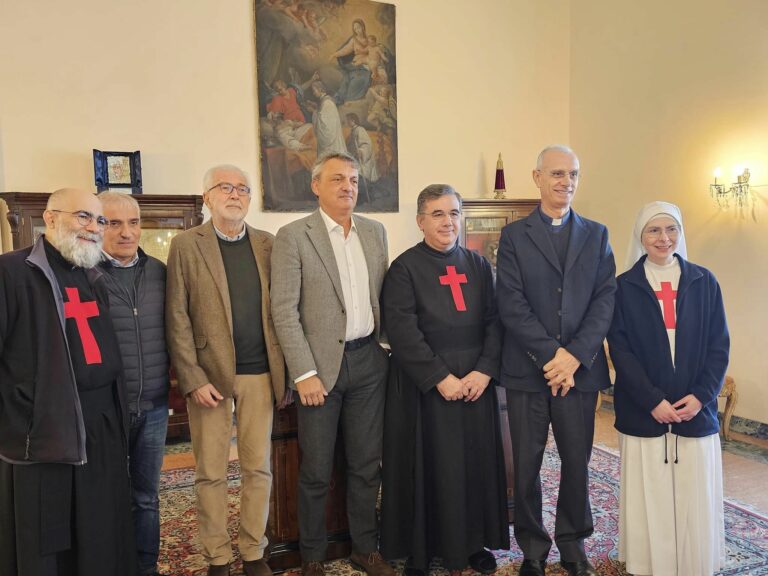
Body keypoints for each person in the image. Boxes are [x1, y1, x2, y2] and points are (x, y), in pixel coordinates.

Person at [0, 188, 136, 576]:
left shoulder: (93, 275)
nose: (93, 228)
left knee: (100, 522)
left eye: (99, 220)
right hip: (45, 428)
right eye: (83, 217)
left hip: (103, 423)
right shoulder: (11, 272)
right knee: (51, 535)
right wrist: (18, 413)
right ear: (51, 217)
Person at [496, 145, 616, 576]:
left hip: (580, 375)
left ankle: (572, 544)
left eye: (574, 174)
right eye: (558, 173)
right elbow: (510, 303)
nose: (566, 182)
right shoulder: (514, 236)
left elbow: (605, 300)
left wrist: (574, 358)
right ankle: (531, 547)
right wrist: (553, 357)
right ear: (538, 177)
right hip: (529, 373)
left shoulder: (597, 235)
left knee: (576, 461)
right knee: (526, 464)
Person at [271, 152, 393, 576]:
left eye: (354, 179)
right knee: (316, 470)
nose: (348, 186)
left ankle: (365, 549)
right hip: (319, 373)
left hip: (369, 365)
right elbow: (284, 310)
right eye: (338, 178)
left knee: (365, 465)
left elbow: (385, 298)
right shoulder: (293, 236)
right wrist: (304, 373)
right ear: (316, 185)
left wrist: (387, 348)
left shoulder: (375, 233)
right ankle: (312, 557)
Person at [379, 184, 509, 576]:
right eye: (437, 214)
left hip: (475, 384)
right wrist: (440, 378)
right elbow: (402, 332)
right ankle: (425, 548)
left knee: (474, 467)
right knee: (432, 468)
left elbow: (495, 323)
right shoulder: (404, 269)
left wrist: (484, 370)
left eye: (453, 213)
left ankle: (473, 544)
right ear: (420, 221)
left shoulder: (479, 265)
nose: (447, 222)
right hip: (426, 390)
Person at [166, 165, 287, 576]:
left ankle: (253, 550)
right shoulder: (186, 244)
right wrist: (192, 377)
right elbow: (177, 316)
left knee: (258, 468)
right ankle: (217, 554)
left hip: (261, 374)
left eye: (242, 189)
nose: (234, 194)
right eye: (225, 187)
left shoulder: (269, 245)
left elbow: (284, 311)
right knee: (211, 472)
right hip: (209, 377)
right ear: (207, 197)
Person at [608, 201, 729, 576]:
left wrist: (702, 396)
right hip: (645, 409)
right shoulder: (624, 287)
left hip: (695, 407)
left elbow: (718, 345)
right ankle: (649, 563)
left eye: (671, 230)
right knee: (652, 491)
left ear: (680, 233)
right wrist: (652, 400)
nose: (663, 239)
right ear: (640, 237)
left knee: (693, 490)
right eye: (654, 231)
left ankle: (694, 561)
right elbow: (621, 350)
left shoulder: (703, 281)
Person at [98, 192, 169, 576]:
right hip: (107, 409)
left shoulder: (160, 271)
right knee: (106, 494)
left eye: (134, 222)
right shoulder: (85, 273)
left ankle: (145, 567)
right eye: (114, 223)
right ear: (97, 225)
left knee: (146, 496)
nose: (127, 232)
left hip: (155, 405)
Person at [310, 81, 347, 158]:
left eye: (314, 90)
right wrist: (316, 109)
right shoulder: (324, 102)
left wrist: (314, 112)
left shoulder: (327, 103)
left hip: (332, 142)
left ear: (320, 89)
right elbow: (322, 114)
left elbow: (326, 124)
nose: (313, 93)